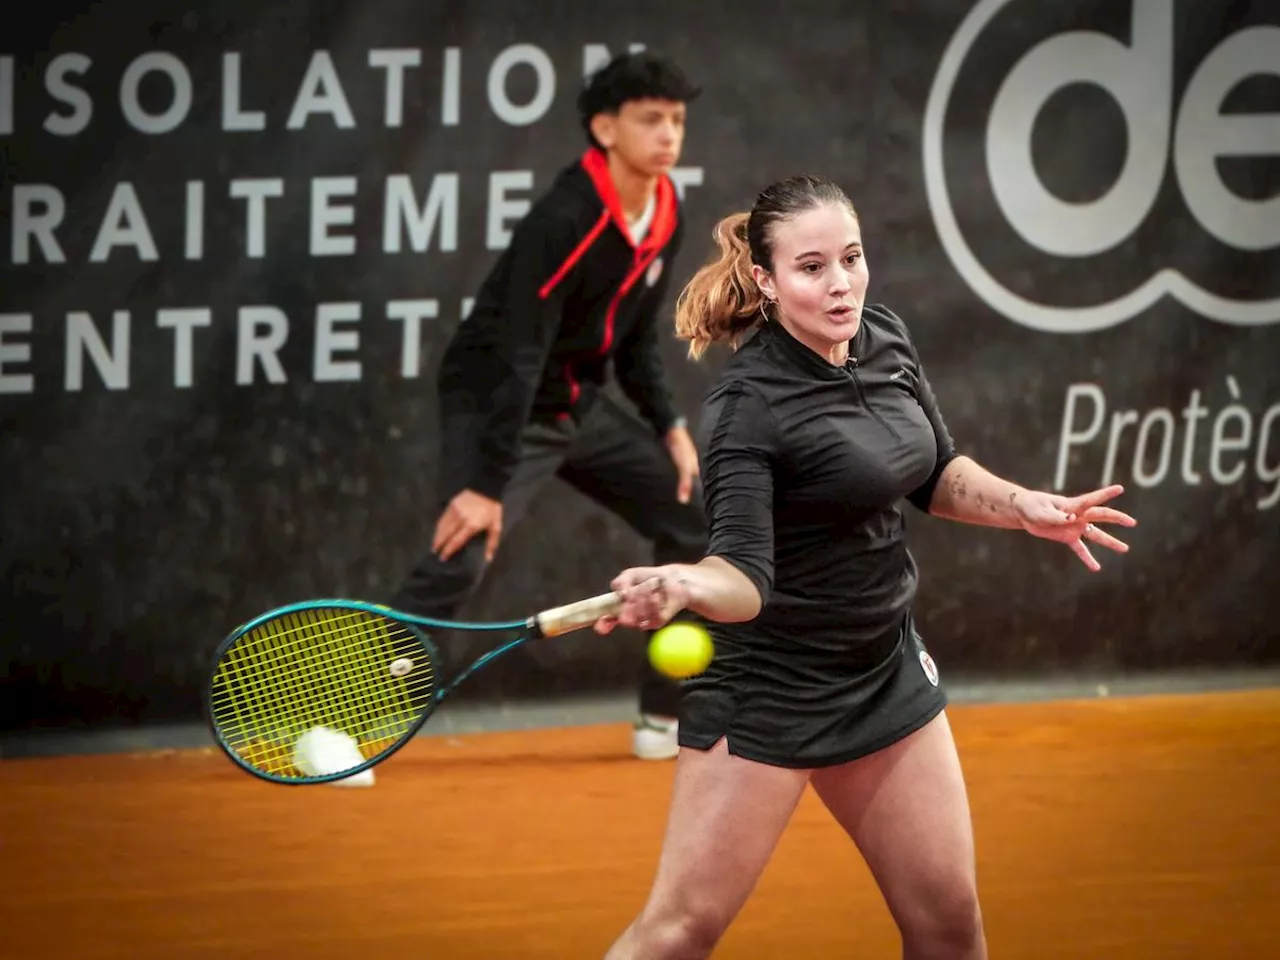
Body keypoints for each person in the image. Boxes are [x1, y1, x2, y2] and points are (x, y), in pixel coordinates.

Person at [591, 174, 1137, 958]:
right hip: (772, 687)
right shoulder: (748, 406)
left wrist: (1020, 504)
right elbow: (743, 578)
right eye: (811, 268)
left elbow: (933, 469)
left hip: (884, 669)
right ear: (765, 279)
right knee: (680, 931)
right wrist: (682, 582)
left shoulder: (882, 337)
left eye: (850, 257)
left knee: (950, 930)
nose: (840, 283)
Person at [390, 51, 708, 760]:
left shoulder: (664, 211)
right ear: (604, 128)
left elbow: (634, 339)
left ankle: (664, 718)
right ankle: (349, 727)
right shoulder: (564, 219)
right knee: (461, 549)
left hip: (574, 402)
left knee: (692, 519)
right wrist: (485, 484)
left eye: (677, 120)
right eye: (650, 119)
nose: (668, 135)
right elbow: (517, 353)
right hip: (497, 399)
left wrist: (670, 426)